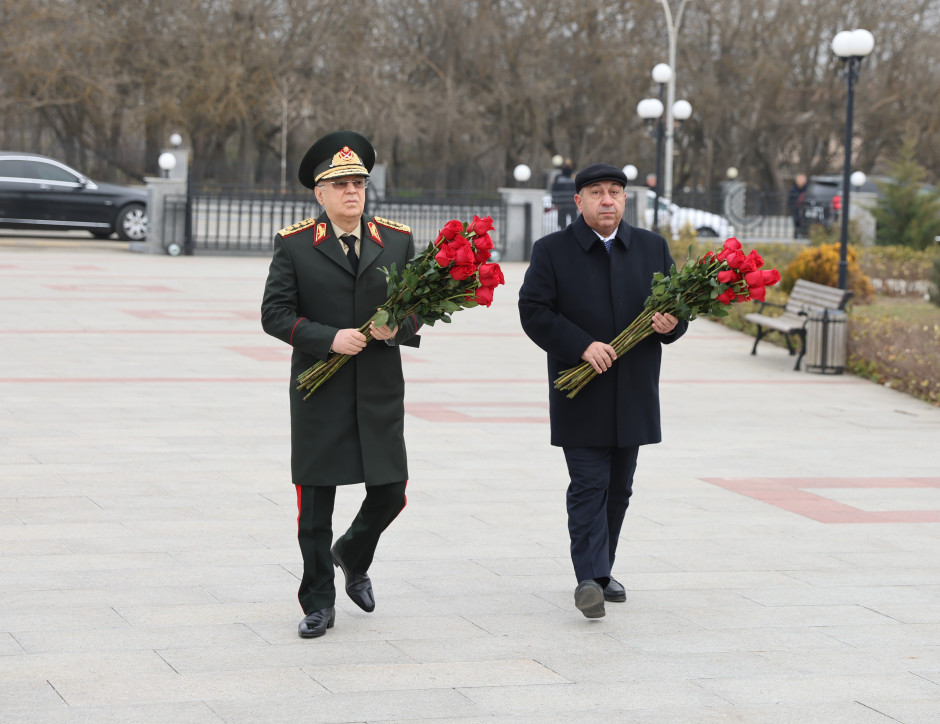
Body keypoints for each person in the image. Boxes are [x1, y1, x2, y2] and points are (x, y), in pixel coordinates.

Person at [261, 131, 421, 639]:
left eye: (359, 183)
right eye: (342, 184)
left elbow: (417, 306)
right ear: (320, 194)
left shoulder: (395, 240)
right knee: (316, 504)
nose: (353, 192)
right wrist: (328, 338)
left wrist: (401, 326)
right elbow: (274, 314)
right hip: (319, 390)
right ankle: (318, 602)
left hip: (377, 389)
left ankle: (352, 553)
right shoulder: (295, 246)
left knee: (392, 491)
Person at [518, 163, 687, 619]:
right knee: (589, 483)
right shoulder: (552, 251)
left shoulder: (652, 248)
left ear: (625, 199)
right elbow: (533, 311)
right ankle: (588, 579)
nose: (607, 199)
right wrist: (581, 345)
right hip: (581, 394)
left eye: (615, 192)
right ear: (579, 202)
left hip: (633, 392)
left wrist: (672, 325)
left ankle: (603, 568)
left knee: (620, 488)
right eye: (596, 192)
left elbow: (676, 311)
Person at [550, 159, 578, 229]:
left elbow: (579, 190)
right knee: (562, 225)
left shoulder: (575, 176)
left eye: (569, 165)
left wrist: (579, 203)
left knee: (575, 224)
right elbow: (554, 191)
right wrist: (555, 203)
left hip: (573, 204)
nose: (568, 167)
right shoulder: (558, 177)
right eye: (566, 166)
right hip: (561, 205)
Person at [788, 173, 808, 239]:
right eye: (800, 179)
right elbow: (790, 199)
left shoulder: (807, 189)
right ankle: (796, 234)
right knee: (796, 221)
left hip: (805, 208)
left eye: (803, 179)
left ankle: (804, 234)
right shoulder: (793, 189)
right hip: (795, 207)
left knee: (804, 221)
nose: (801, 181)